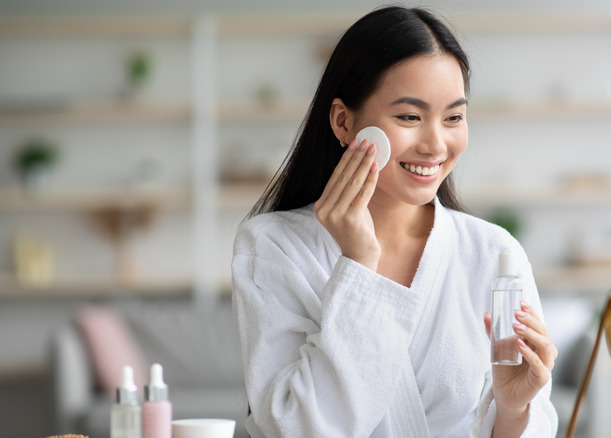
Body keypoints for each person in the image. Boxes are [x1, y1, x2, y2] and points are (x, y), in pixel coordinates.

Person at [232, 6, 558, 437]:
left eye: (454, 117)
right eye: (409, 117)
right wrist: (360, 265)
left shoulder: (494, 254)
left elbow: (529, 422)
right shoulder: (272, 247)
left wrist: (515, 411)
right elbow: (294, 430)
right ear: (344, 122)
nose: (436, 143)